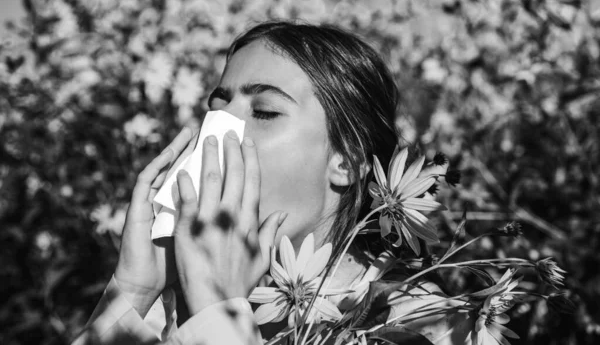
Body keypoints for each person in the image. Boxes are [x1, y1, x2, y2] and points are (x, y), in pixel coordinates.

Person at [73, 21, 469, 345]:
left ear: (346, 161)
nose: (219, 133)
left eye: (263, 112)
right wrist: (134, 292)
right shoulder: (167, 308)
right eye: (215, 109)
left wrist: (218, 311)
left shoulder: (422, 325)